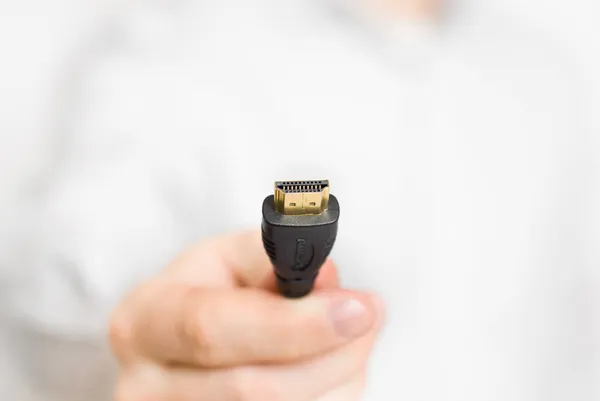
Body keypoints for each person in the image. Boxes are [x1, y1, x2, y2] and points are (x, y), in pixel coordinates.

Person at [0, 0, 597, 400]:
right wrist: (145, 357)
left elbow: (568, 339)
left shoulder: (547, 76)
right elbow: (58, 317)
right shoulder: (172, 47)